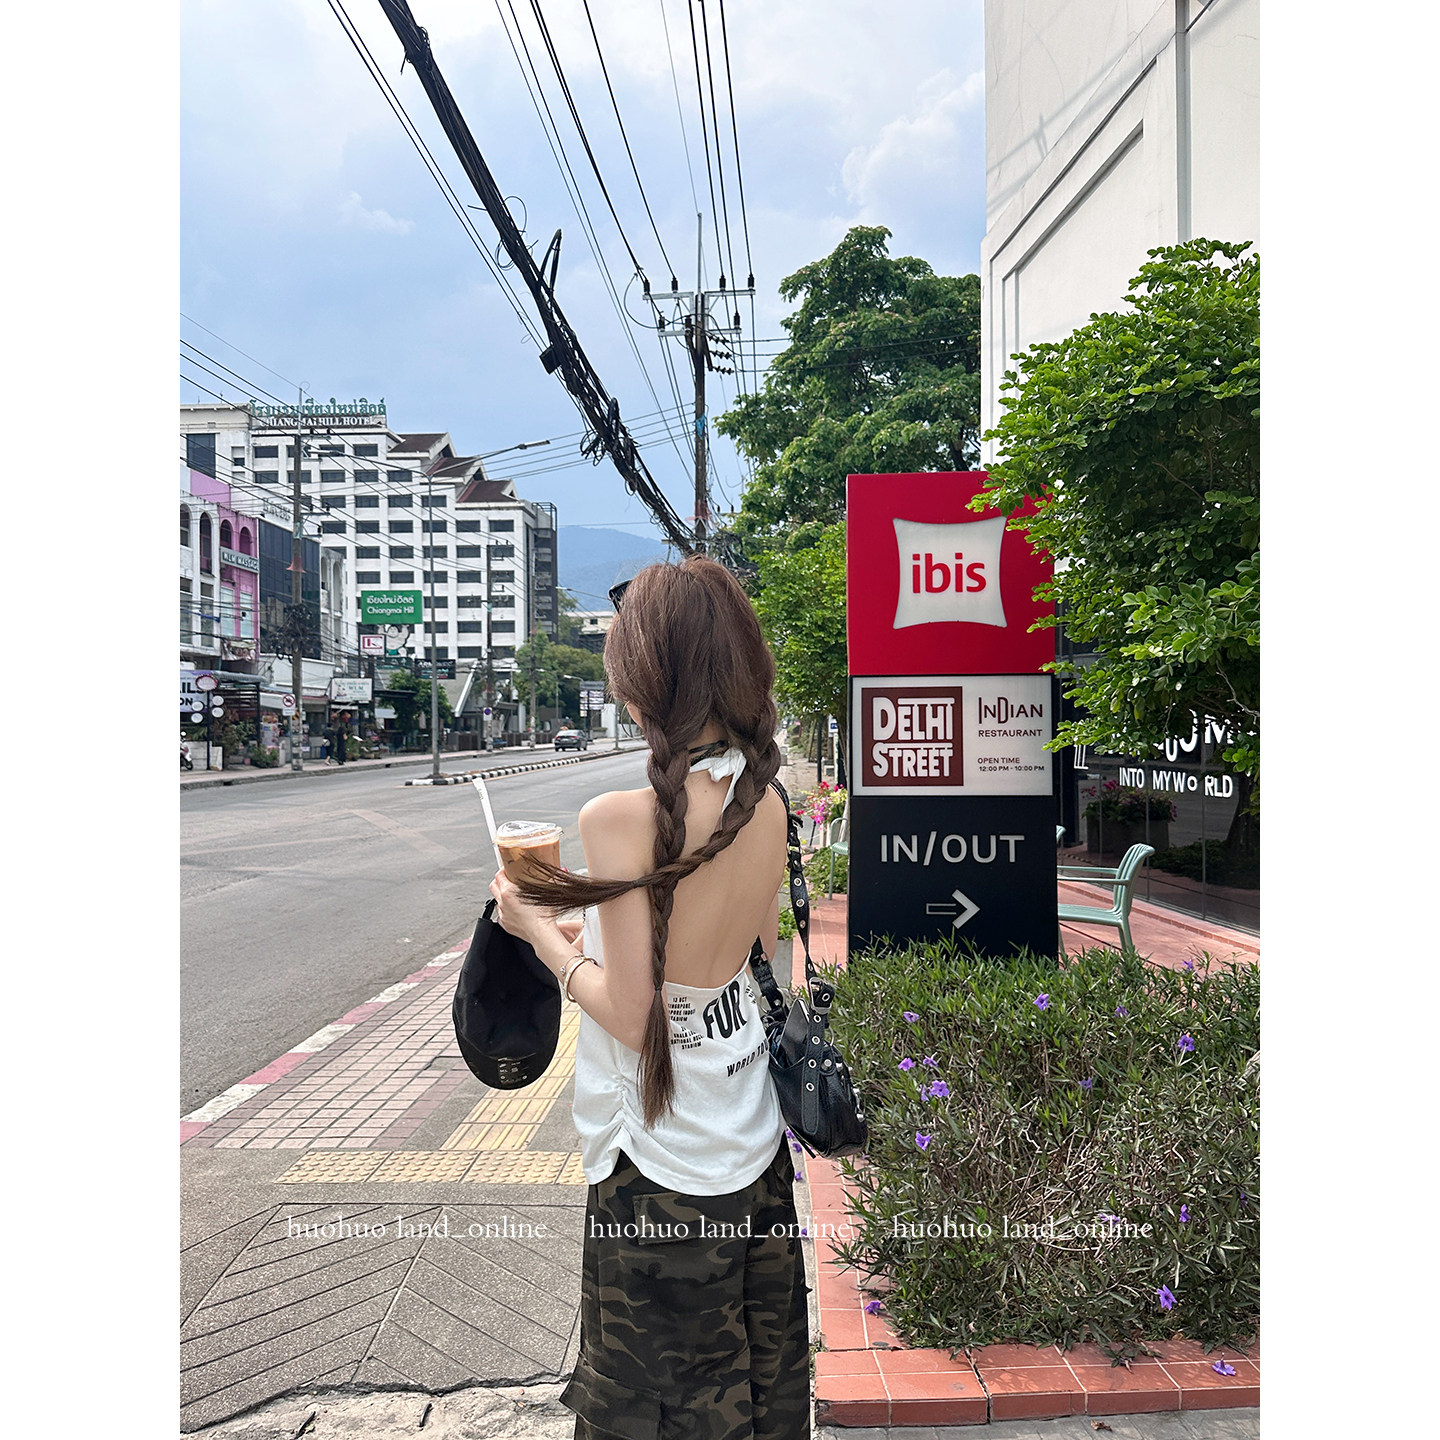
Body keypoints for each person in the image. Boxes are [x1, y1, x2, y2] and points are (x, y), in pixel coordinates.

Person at [490, 556, 807, 1440]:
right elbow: (747, 953)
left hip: (657, 1174)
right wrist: (589, 925)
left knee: (656, 1408)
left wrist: (535, 932)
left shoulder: (616, 818)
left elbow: (634, 1017)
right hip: (752, 1143)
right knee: (759, 1380)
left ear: (645, 683)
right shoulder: (766, 801)